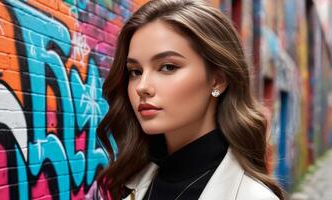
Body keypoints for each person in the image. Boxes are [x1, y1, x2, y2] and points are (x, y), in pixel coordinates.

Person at [96, 0, 285, 199]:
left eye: (168, 67)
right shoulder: (131, 181)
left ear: (218, 80)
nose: (142, 86)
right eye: (135, 71)